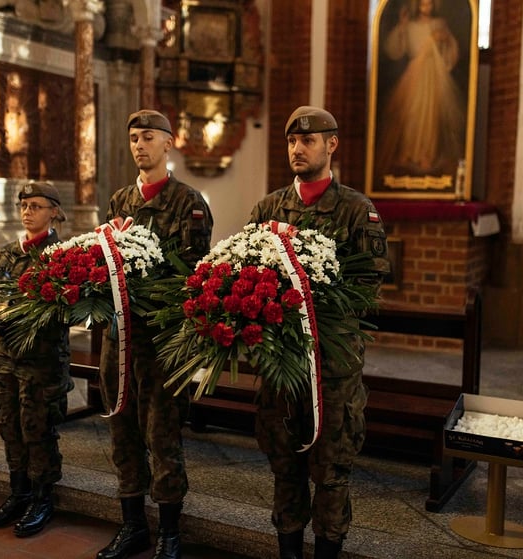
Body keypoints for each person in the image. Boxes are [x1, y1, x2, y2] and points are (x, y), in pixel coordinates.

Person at [248, 106, 389, 559]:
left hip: (331, 368)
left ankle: (329, 550)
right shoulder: (268, 209)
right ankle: (288, 551)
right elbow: (244, 274)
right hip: (281, 366)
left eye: (308, 140)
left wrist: (311, 304)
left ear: (331, 145)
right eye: (291, 141)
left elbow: (367, 292)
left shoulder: (356, 212)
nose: (297, 148)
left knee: (330, 472)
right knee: (284, 468)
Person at [96, 109, 213, 559]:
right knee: (121, 431)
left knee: (162, 436)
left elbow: (192, 275)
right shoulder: (119, 201)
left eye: (148, 137)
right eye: (133, 138)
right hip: (119, 340)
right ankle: (132, 526)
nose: (139, 146)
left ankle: (169, 532)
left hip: (162, 343)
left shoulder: (190, 204)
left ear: (169, 143)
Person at [0, 181, 74, 537]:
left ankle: (42, 497)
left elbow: (67, 309)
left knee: (37, 426)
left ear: (54, 211)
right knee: (7, 421)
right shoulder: (7, 252)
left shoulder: (63, 254)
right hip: (7, 355)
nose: (28, 211)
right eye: (23, 205)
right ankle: (17, 491)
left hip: (43, 358)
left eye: (36, 205)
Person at [376, 0, 464, 178]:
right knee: (411, 115)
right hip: (414, 74)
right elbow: (395, 50)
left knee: (430, 116)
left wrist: (444, 38)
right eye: (423, 4)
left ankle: (427, 156)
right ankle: (409, 154)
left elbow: (450, 49)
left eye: (429, 4)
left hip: (433, 76)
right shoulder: (410, 26)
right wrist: (402, 26)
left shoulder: (439, 24)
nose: (426, 7)